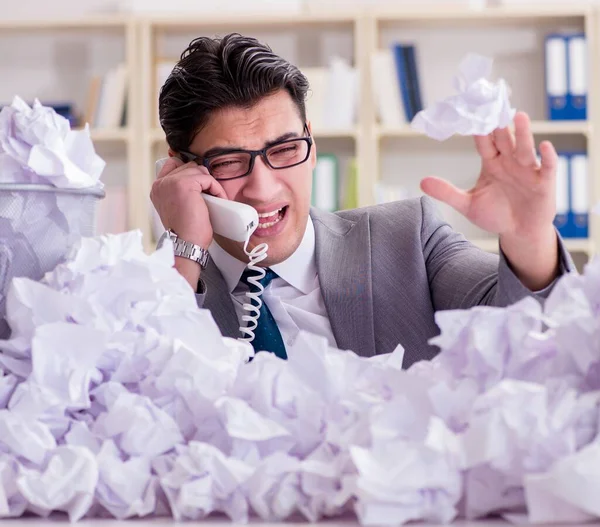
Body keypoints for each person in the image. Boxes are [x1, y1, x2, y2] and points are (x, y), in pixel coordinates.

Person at [151, 33, 574, 368]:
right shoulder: (161, 290)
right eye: (228, 162)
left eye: (283, 151)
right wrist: (185, 248)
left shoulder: (409, 237)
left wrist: (528, 238)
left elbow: (527, 333)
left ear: (312, 144)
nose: (262, 188)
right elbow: (142, 398)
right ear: (181, 170)